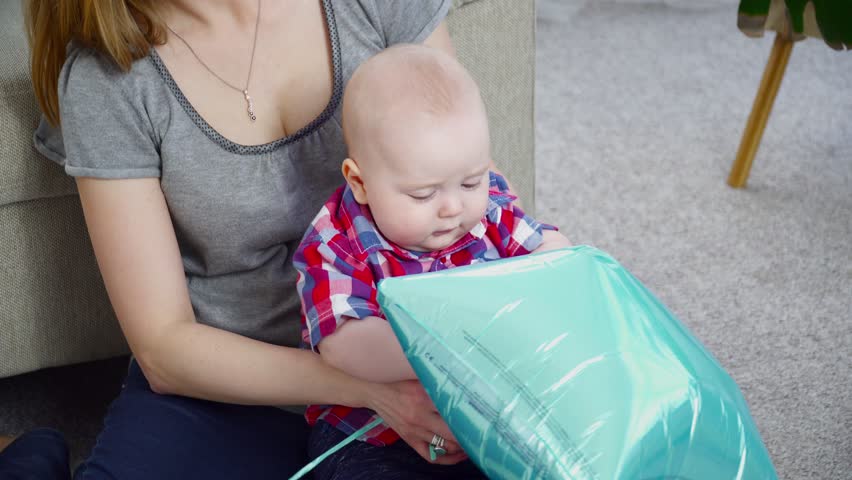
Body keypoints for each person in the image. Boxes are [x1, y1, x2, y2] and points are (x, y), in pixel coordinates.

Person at [0, 0, 479, 478]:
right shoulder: (107, 77)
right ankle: (26, 457)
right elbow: (164, 348)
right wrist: (372, 392)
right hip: (230, 385)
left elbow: (473, 183)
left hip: (406, 357)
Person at [293, 44, 572, 480]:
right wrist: (447, 351)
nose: (452, 208)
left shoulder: (488, 211)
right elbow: (343, 344)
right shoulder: (335, 242)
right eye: (423, 194)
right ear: (360, 181)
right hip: (374, 433)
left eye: (471, 181)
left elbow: (549, 251)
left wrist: (563, 266)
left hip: (490, 415)